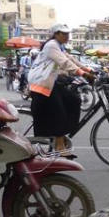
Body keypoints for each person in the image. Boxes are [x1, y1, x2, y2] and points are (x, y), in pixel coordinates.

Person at [28, 24, 94, 155]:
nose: (67, 36)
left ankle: (63, 135)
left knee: (74, 100)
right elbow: (64, 62)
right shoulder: (51, 45)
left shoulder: (58, 46)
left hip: (50, 82)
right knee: (59, 111)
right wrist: (83, 74)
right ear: (56, 34)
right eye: (64, 34)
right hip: (41, 83)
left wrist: (88, 69)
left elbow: (71, 59)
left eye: (68, 34)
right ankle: (59, 144)